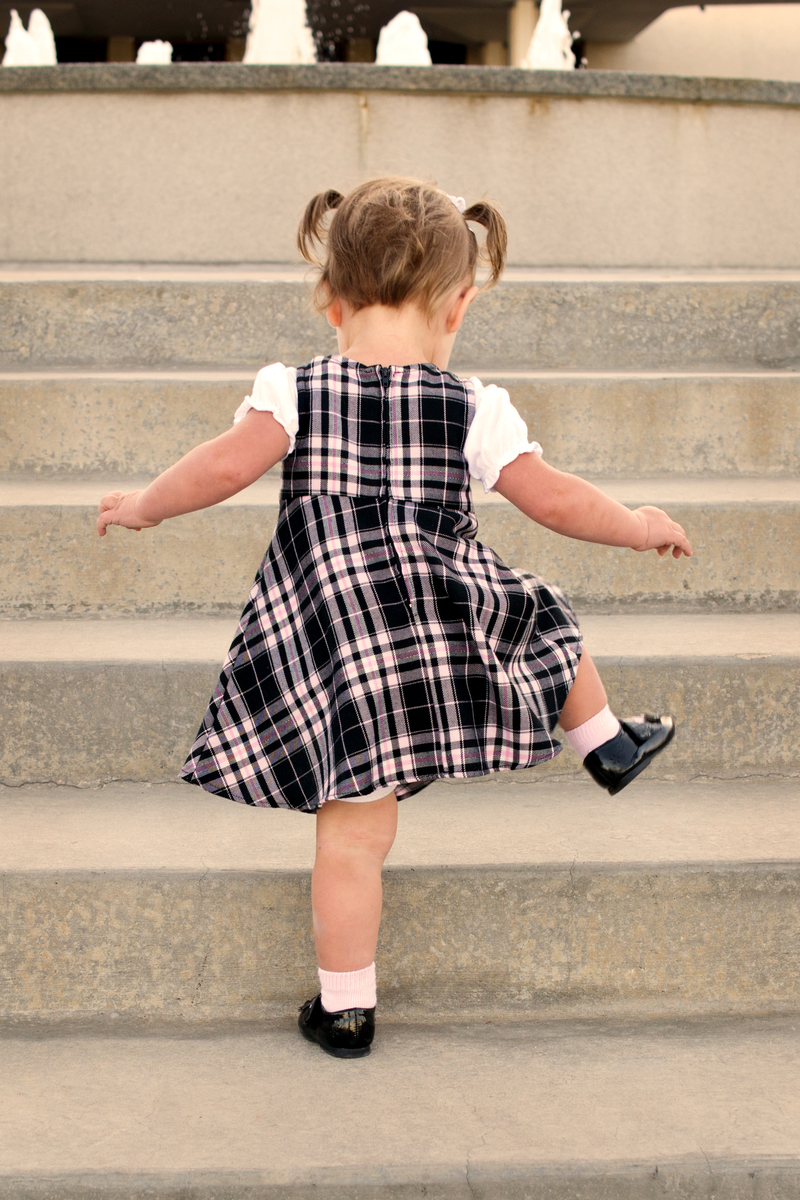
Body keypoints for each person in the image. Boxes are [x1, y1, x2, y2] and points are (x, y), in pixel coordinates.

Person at [97, 178, 692, 1060]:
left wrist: (145, 505)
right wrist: (638, 526)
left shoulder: (293, 391)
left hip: (341, 645)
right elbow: (556, 500)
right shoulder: (474, 407)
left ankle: (347, 1010)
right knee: (537, 617)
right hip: (438, 615)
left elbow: (220, 468)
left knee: (353, 836)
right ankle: (604, 743)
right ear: (458, 306)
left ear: (331, 298)